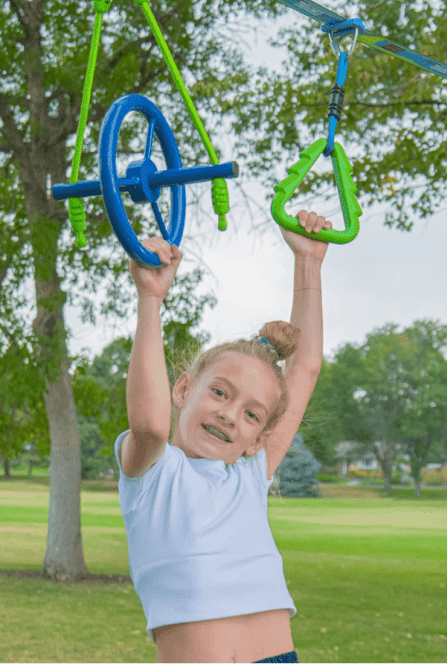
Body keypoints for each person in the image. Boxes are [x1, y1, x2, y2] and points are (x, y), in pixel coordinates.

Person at [115, 210, 333, 663]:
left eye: (252, 415)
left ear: (258, 439)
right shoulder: (152, 470)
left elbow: (305, 368)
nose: (231, 415)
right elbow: (151, 425)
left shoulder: (250, 472)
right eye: (219, 392)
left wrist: (309, 263)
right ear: (182, 389)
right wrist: (151, 297)